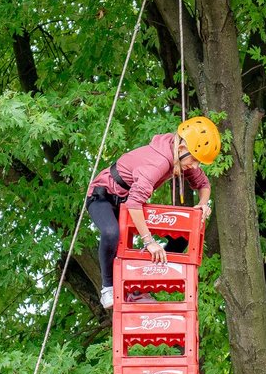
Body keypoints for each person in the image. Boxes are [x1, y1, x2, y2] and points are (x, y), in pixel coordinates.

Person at [86, 116, 221, 309]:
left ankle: (139, 287)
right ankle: (108, 287)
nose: (195, 166)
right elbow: (134, 203)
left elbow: (203, 184)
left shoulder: (181, 157)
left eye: (199, 162)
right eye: (194, 160)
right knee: (111, 232)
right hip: (103, 197)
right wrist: (149, 242)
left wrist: (202, 204)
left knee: (182, 237)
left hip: (128, 201)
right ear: (182, 148)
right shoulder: (158, 163)